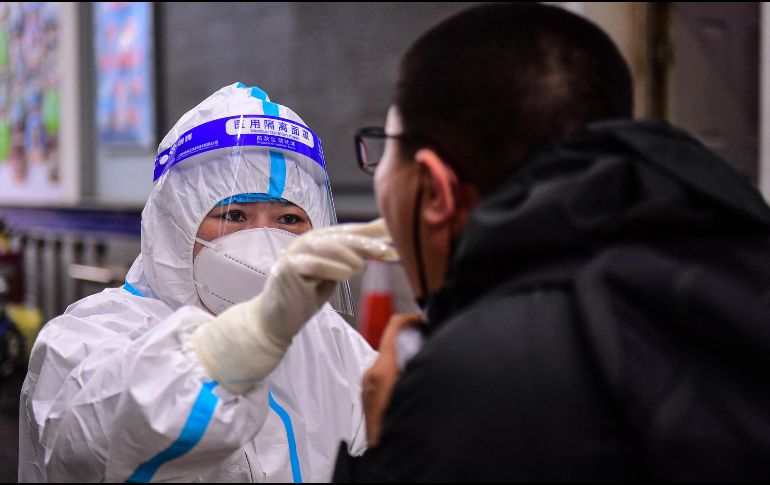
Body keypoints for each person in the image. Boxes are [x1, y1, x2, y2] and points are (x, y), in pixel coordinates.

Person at [334, 3, 770, 481]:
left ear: (437, 190)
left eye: (385, 150)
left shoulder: (476, 379)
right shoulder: (729, 264)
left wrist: (387, 439)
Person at [19, 82, 395, 482]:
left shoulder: (329, 342)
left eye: (289, 220)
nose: (265, 240)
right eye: (234, 216)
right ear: (176, 223)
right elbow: (90, 443)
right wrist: (237, 350)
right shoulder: (88, 336)